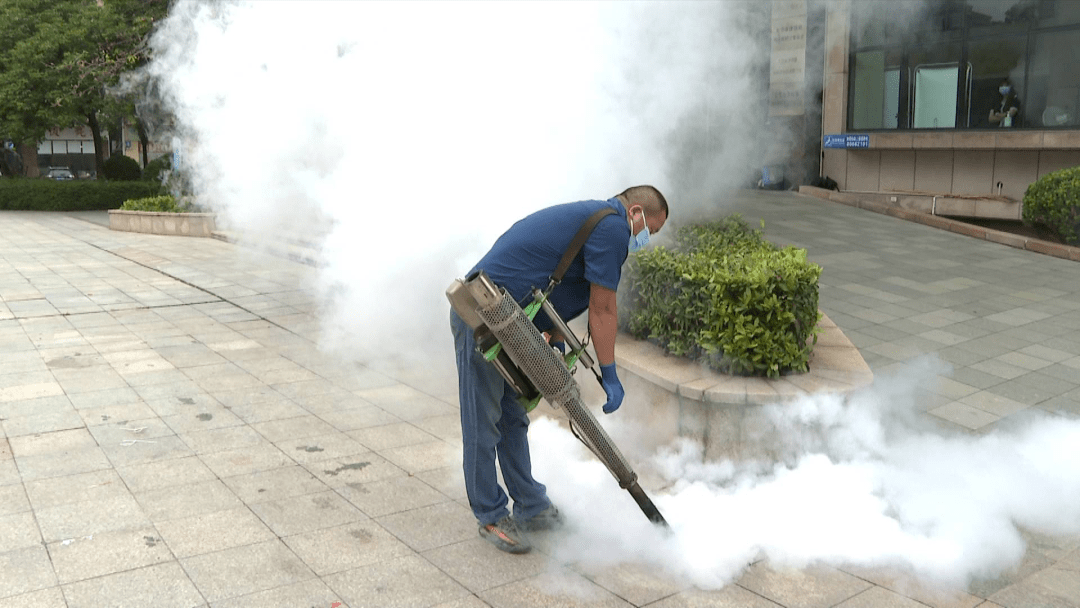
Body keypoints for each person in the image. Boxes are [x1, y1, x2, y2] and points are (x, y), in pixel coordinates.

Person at [449, 185, 669, 554]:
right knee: (483, 419)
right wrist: (609, 373)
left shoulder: (596, 220)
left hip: (512, 321)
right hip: (481, 317)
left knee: (512, 416)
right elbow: (603, 309)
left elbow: (551, 281)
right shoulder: (613, 227)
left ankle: (531, 506)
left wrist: (553, 341)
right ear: (635, 212)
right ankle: (490, 514)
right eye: (651, 229)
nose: (646, 238)